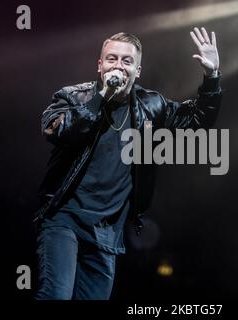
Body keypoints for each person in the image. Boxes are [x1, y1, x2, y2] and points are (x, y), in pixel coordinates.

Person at [34, 27, 222, 300]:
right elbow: (62, 132)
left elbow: (198, 121)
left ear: (138, 70)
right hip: (64, 220)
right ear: (99, 65)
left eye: (126, 61)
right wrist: (102, 97)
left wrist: (212, 76)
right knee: (56, 296)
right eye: (111, 59)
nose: (118, 66)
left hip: (106, 232)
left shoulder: (152, 106)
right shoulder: (73, 98)